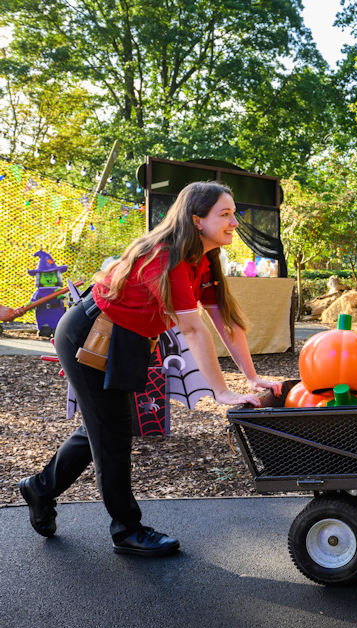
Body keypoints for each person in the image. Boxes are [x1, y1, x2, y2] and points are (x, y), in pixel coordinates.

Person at [18, 181, 283, 557]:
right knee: (114, 434)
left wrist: (252, 376)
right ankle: (126, 530)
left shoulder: (203, 257)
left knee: (102, 426)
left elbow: (224, 321)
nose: (234, 223)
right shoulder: (167, 255)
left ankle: (40, 487)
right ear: (197, 219)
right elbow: (193, 329)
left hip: (125, 337)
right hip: (90, 333)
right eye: (224, 214)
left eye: (232, 213)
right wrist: (221, 391)